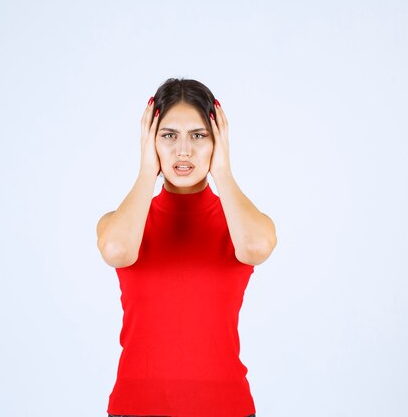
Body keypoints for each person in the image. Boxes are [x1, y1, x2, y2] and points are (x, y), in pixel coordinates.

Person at [96, 78, 277, 417]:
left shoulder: (239, 222)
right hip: (135, 408)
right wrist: (146, 172)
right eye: (168, 136)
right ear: (150, 141)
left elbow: (256, 247)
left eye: (198, 135)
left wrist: (222, 170)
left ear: (217, 141)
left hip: (227, 408)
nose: (183, 151)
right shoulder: (125, 221)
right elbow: (116, 251)